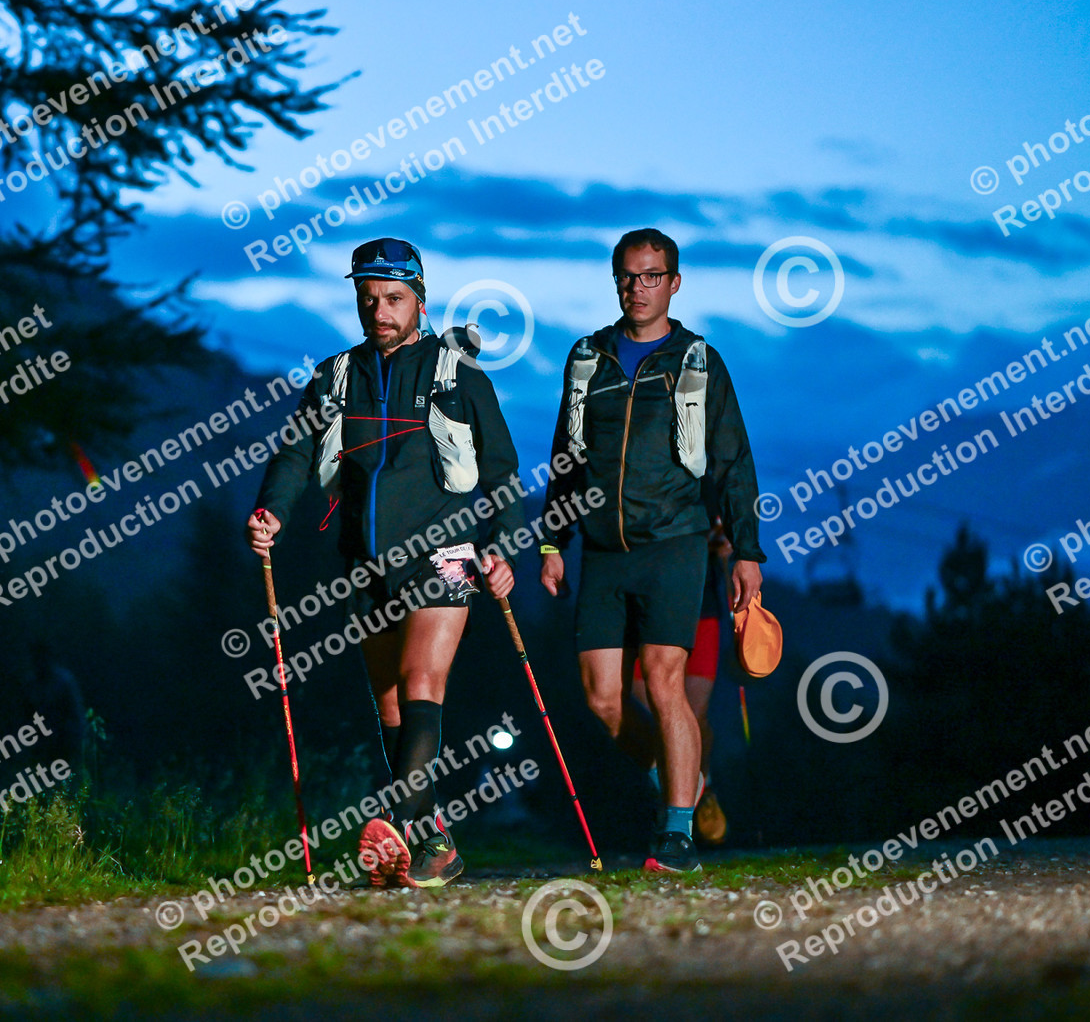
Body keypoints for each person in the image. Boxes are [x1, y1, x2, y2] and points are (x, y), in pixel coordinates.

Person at [247, 237, 523, 889]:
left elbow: (502, 471)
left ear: (420, 300)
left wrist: (503, 545)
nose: (379, 311)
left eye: (393, 298)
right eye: (368, 299)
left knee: (422, 681)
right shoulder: (336, 376)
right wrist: (272, 511)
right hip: (364, 562)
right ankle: (433, 844)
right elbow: (294, 453)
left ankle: (397, 825)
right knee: (392, 704)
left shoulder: (460, 376)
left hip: (444, 553)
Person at [538, 228, 766, 874]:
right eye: (628, 276)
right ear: (616, 281)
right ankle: (684, 780)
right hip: (603, 551)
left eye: (651, 276)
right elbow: (566, 455)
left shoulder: (699, 361)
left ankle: (677, 834)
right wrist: (553, 540)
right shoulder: (588, 357)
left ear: (674, 283)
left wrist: (747, 552)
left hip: (675, 544)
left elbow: (733, 461)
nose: (638, 288)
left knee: (666, 683)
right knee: (603, 701)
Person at [629, 515, 733, 846]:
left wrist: (727, 544)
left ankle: (703, 787)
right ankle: (669, 801)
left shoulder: (710, 488)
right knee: (653, 713)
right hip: (644, 604)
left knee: (694, 713)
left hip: (701, 607)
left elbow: (734, 526)